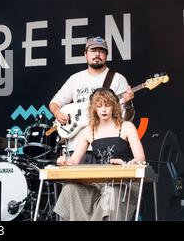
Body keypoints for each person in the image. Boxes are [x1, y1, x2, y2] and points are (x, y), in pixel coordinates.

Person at [53, 87, 146, 221]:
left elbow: (140, 158)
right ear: (94, 108)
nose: (103, 109)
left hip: (124, 185)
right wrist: (65, 161)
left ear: (114, 106)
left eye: (107, 105)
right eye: (99, 105)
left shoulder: (126, 127)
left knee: (111, 192)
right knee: (69, 189)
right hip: (99, 185)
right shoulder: (88, 131)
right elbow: (73, 161)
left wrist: (127, 164)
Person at [49, 36, 135, 161]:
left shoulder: (117, 79)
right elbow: (55, 102)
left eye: (101, 51)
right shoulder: (75, 79)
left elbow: (125, 119)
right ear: (85, 54)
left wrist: (128, 103)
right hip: (76, 146)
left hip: (106, 147)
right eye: (93, 50)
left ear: (106, 55)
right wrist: (57, 112)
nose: (97, 54)